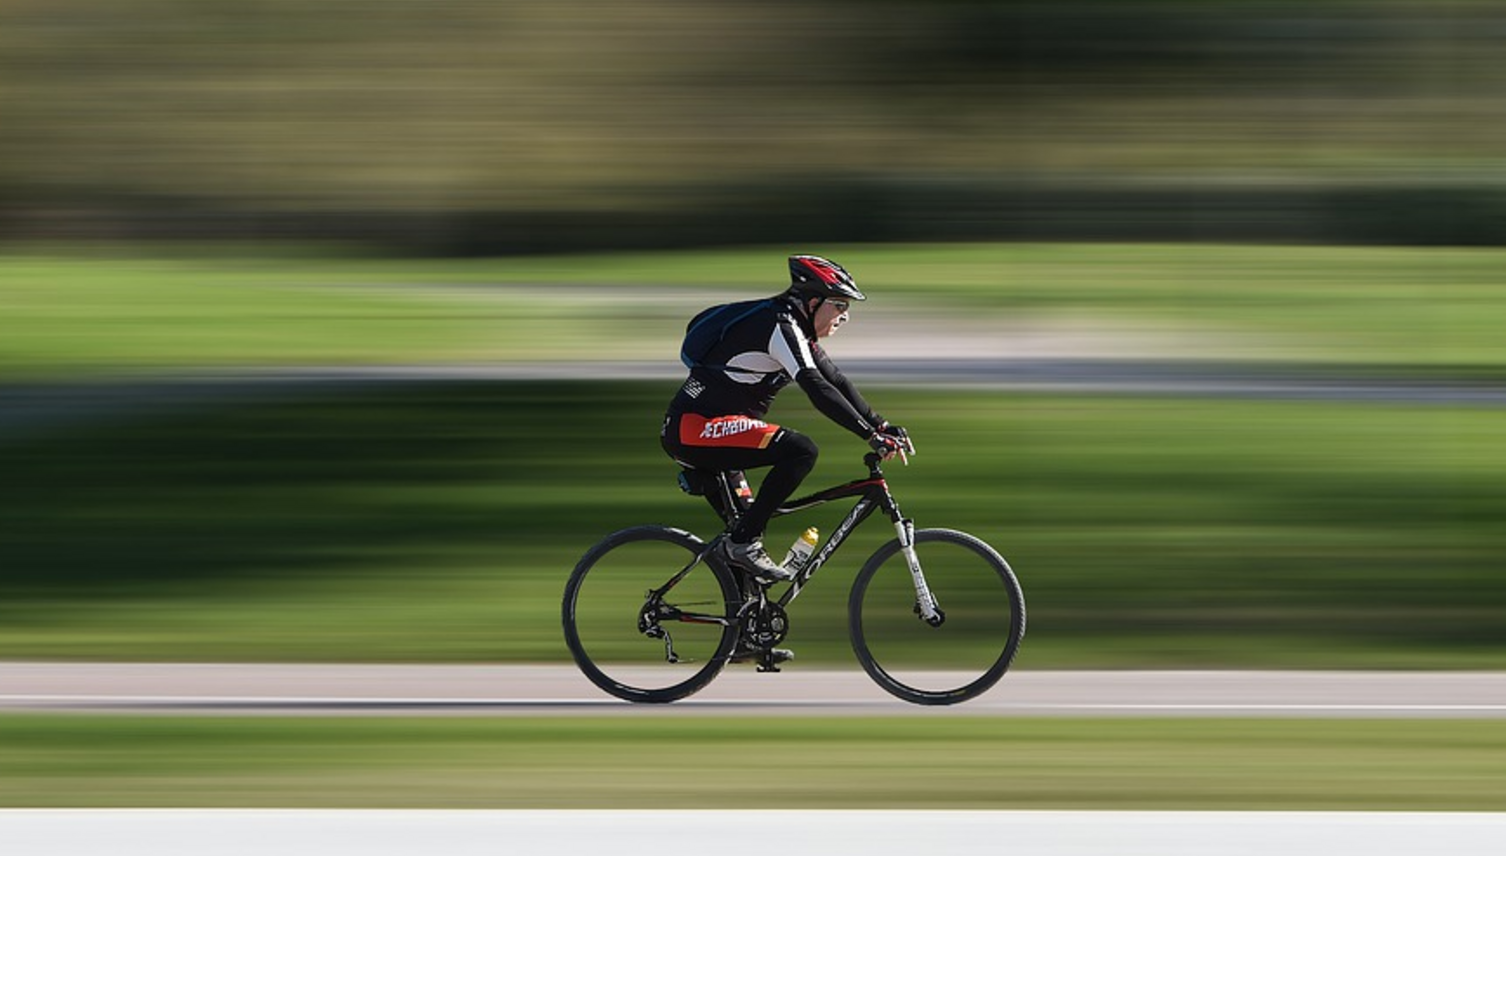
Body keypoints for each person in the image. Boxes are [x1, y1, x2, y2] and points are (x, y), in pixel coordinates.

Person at [661, 254, 911, 582]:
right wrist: (869, 436)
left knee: (746, 560)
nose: (844, 316)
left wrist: (879, 424)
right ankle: (742, 543)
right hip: (695, 429)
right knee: (801, 450)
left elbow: (835, 380)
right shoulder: (780, 325)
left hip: (713, 430)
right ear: (812, 301)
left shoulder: (796, 330)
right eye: (839, 305)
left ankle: (746, 620)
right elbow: (816, 388)